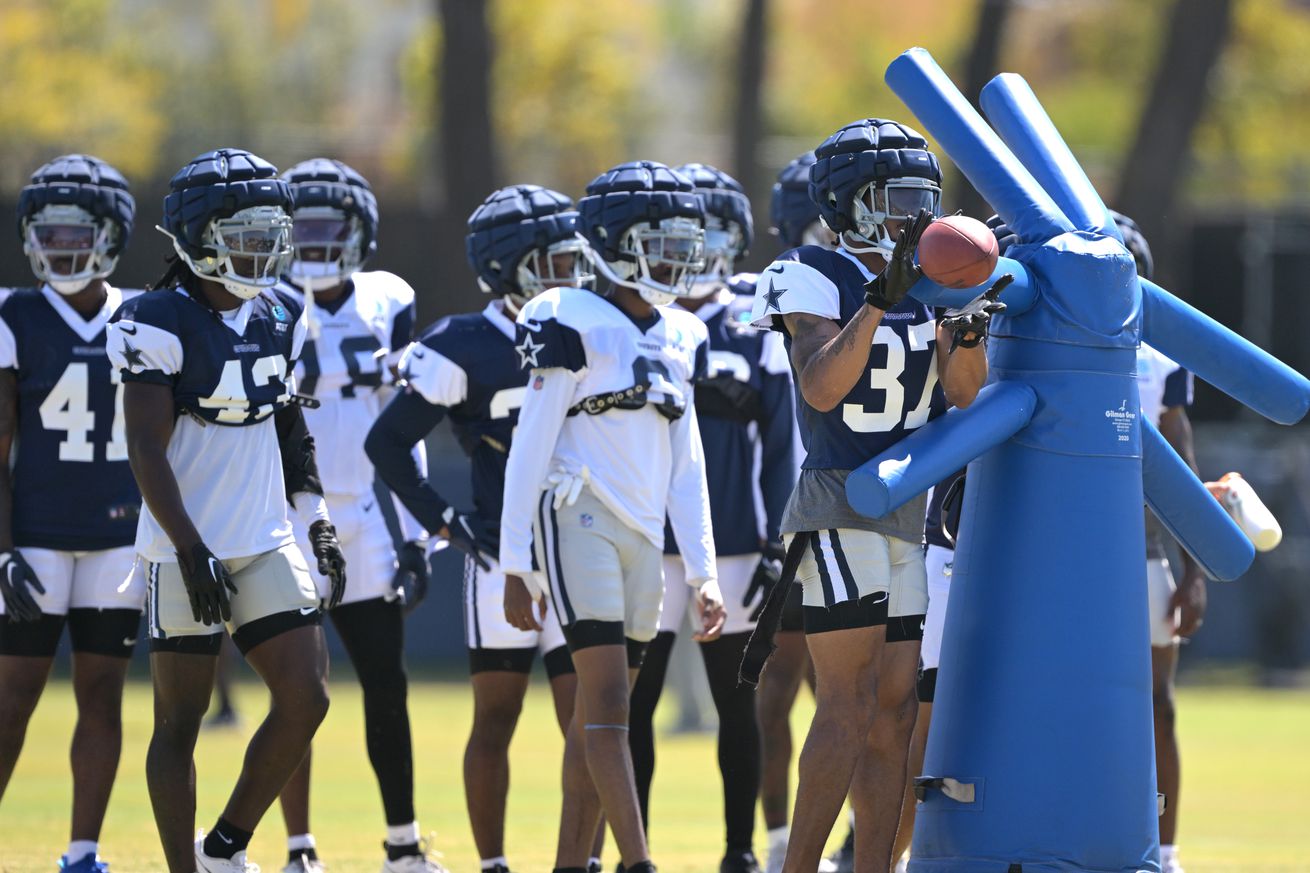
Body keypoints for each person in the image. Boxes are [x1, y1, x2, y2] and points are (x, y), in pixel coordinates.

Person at [748, 119, 996, 873]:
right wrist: (879, 300)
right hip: (840, 504)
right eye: (898, 199)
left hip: (907, 508)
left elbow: (964, 398)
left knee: (895, 710)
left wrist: (968, 330)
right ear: (850, 201)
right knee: (847, 703)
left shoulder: (933, 277)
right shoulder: (809, 271)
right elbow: (822, 385)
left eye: (925, 199)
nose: (914, 216)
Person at [108, 148, 346, 873]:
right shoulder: (154, 317)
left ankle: (224, 847)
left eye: (271, 232)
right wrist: (186, 547)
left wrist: (318, 518)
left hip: (262, 536)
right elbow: (146, 447)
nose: (265, 249)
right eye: (246, 234)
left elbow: (289, 426)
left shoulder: (280, 312)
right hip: (184, 543)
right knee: (179, 721)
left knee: (306, 696)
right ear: (198, 236)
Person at [365, 183, 601, 873]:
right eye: (554, 263)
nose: (571, 276)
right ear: (508, 268)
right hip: (502, 553)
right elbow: (386, 444)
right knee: (495, 716)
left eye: (573, 260)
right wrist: (445, 524)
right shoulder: (464, 343)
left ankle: (580, 860)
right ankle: (494, 862)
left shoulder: (594, 323)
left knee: (588, 722)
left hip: (582, 546)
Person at [498, 160, 725, 873]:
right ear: (611, 242)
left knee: (600, 717)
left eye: (685, 243)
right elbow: (527, 446)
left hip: (643, 537)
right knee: (607, 709)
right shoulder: (566, 315)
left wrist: (704, 570)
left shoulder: (684, 332)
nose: (679, 259)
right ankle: (637, 861)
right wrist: (515, 562)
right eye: (661, 243)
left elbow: (687, 462)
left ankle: (572, 863)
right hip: (579, 516)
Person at [623, 162, 795, 873]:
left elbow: (784, 439)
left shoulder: (755, 319)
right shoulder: (636, 319)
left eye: (713, 232)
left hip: (732, 542)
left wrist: (779, 541)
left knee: (739, 702)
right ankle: (636, 851)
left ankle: (739, 850)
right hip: (643, 538)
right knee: (634, 704)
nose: (695, 251)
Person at [273, 158, 441, 873]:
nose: (313, 245)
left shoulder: (387, 299)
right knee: (297, 690)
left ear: (360, 233)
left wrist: (415, 537)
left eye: (327, 229)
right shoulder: (266, 299)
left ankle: (402, 842)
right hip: (288, 512)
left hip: (367, 513)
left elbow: (403, 422)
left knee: (386, 680)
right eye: (301, 230)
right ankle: (297, 847)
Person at [0, 154, 143, 873]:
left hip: (119, 537)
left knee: (102, 692)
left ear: (111, 235)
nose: (59, 249)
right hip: (35, 537)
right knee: (13, 693)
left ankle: (82, 851)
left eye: (73, 234)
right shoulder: (11, 314)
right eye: (47, 235)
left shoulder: (146, 315)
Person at [752, 151, 840, 873]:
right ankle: (781, 837)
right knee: (777, 684)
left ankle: (838, 839)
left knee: (838, 687)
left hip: (835, 507)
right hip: (786, 512)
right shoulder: (776, 290)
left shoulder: (851, 287)